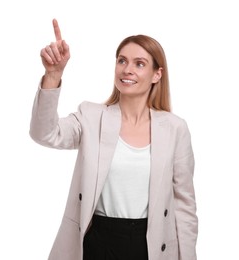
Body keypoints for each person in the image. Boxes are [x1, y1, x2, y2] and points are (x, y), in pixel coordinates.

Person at [30, 18, 198, 260]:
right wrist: (53, 75)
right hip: (97, 240)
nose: (127, 69)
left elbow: (184, 205)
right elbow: (44, 133)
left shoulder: (175, 128)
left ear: (156, 74)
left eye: (139, 64)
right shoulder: (91, 116)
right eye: (122, 61)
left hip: (150, 244)